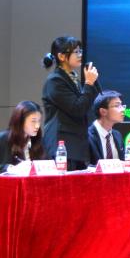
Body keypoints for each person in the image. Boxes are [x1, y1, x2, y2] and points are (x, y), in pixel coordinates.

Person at [41, 36, 101, 171]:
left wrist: (90, 84)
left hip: (76, 145)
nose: (80, 55)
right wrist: (89, 83)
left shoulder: (72, 78)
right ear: (61, 56)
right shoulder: (55, 81)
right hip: (62, 146)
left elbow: (84, 105)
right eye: (76, 52)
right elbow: (77, 108)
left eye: (80, 51)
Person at [0, 101, 46, 175]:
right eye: (33, 121)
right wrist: (11, 168)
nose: (37, 126)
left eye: (39, 121)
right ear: (20, 121)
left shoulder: (40, 142)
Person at [87, 90, 125, 165]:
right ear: (103, 111)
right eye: (117, 106)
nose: (123, 110)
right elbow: (85, 166)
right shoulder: (86, 136)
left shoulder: (117, 135)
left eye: (122, 106)